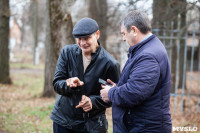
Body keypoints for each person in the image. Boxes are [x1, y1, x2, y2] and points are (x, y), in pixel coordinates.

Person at [100, 10, 172, 133]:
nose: (123, 38)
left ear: (134, 30)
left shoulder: (148, 55)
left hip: (145, 127)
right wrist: (118, 88)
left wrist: (111, 93)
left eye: (124, 33)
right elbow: (141, 86)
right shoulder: (146, 49)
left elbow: (134, 93)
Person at [50, 17, 120, 133]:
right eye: (79, 39)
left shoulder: (110, 64)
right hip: (63, 121)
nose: (82, 43)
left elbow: (115, 96)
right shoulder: (67, 53)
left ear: (97, 34)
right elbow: (57, 84)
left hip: (92, 125)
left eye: (87, 38)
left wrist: (92, 102)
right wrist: (68, 84)